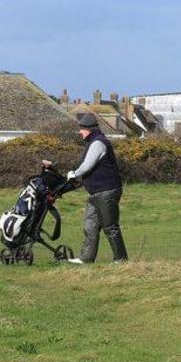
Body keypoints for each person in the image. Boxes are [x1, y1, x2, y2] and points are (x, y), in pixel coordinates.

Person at [65, 112, 128, 264]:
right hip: (95, 193)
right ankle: (86, 258)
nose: (79, 132)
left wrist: (74, 174)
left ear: (89, 129)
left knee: (110, 226)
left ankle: (121, 259)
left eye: (81, 129)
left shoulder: (98, 143)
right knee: (90, 226)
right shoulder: (93, 142)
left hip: (106, 191)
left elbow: (87, 166)